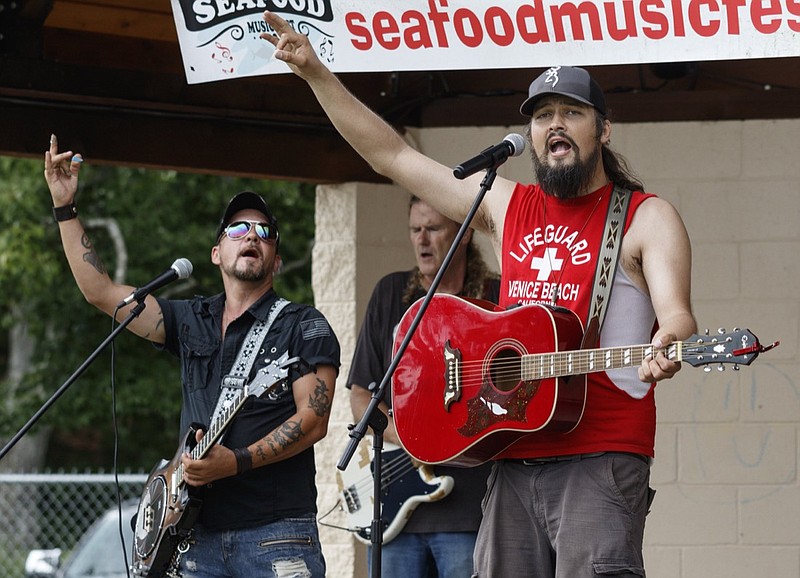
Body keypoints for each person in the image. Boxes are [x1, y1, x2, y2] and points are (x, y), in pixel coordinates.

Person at [261, 12, 697, 578]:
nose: (554, 124)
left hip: (601, 458)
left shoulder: (645, 216)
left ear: (603, 130)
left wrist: (670, 341)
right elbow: (392, 156)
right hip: (512, 456)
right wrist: (317, 73)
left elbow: (678, 317)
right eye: (543, 115)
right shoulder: (507, 202)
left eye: (571, 112)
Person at [44, 135, 340, 578]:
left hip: (275, 534)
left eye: (265, 233)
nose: (252, 238)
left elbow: (314, 420)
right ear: (216, 253)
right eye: (238, 230)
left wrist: (235, 462)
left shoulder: (303, 325)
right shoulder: (191, 319)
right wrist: (65, 207)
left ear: (275, 260)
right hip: (193, 536)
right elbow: (101, 292)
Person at [348, 196, 498, 577]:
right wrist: (408, 438)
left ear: (463, 235)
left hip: (469, 509)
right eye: (415, 230)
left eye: (433, 229)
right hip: (393, 510)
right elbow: (361, 395)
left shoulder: (494, 297)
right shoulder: (391, 293)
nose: (422, 240)